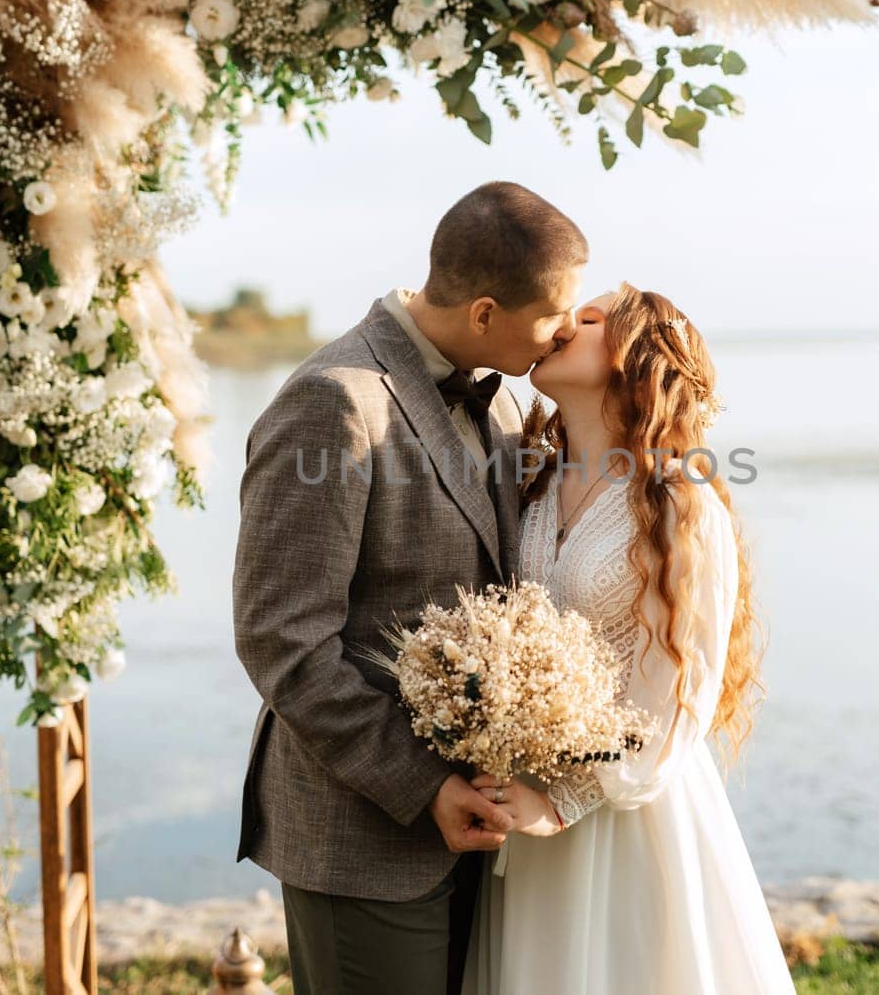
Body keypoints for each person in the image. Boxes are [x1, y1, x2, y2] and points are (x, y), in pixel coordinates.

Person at [232, 180, 585, 994]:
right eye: (553, 314)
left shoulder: (497, 403)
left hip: (483, 840)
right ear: (487, 313)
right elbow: (281, 640)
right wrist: (424, 784)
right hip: (363, 837)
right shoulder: (335, 403)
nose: (565, 330)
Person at [461, 282, 794, 994]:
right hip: (522, 799)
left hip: (626, 811)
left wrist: (566, 799)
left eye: (586, 319)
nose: (558, 325)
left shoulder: (680, 499)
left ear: (635, 359)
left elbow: (680, 690)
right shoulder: (533, 480)